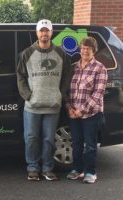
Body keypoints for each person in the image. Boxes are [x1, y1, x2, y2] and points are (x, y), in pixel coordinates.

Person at [17, 19, 72, 181]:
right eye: (41, 30)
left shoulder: (61, 53)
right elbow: (20, 76)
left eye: (47, 30)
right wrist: (28, 95)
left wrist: (59, 94)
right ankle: (32, 168)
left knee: (49, 139)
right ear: (37, 33)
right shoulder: (27, 53)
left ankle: (48, 168)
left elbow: (67, 76)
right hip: (32, 106)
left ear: (51, 32)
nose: (44, 33)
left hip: (53, 105)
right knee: (31, 138)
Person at [66, 37, 108, 184]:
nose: (84, 51)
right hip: (73, 113)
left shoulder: (100, 68)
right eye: (83, 47)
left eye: (88, 48)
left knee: (90, 144)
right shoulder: (73, 67)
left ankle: (90, 172)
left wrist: (81, 110)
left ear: (93, 51)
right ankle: (77, 169)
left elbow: (98, 93)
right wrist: (69, 108)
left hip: (92, 114)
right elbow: (66, 90)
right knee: (76, 143)